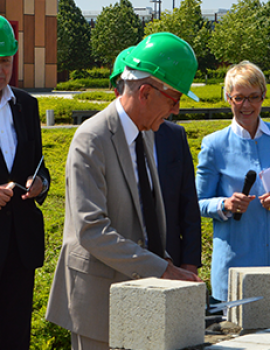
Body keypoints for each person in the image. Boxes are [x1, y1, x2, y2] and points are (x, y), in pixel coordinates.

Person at [46, 32, 202, 350]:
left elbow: (149, 221)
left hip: (144, 296)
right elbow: (91, 231)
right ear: (145, 92)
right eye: (174, 100)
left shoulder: (145, 131)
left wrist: (171, 268)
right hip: (98, 305)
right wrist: (163, 270)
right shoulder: (91, 139)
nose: (176, 111)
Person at [110, 47, 201, 272]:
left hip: (168, 259)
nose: (176, 110)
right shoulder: (97, 140)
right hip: (118, 267)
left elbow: (188, 203)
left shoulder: (173, 136)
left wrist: (188, 262)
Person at [196, 61, 270, 303]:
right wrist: (225, 205)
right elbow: (196, 202)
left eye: (253, 97)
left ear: (263, 96)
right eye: (239, 98)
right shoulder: (214, 145)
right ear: (228, 98)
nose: (246, 105)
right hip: (234, 268)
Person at [0, 16, 50, 350]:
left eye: (4, 61)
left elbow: (40, 165)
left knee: (17, 334)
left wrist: (40, 184)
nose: (0, 70)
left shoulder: (26, 105)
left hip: (21, 244)